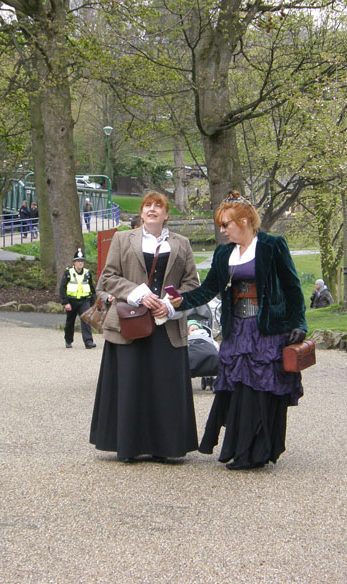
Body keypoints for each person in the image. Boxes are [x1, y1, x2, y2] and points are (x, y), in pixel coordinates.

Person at [172, 190, 307, 471]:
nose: (222, 231)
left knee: (262, 390)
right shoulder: (224, 254)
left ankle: (256, 453)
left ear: (244, 221)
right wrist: (180, 301)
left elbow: (293, 287)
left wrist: (299, 323)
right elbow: (208, 289)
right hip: (238, 333)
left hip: (267, 331)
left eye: (226, 225)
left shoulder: (272, 246)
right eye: (220, 225)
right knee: (238, 390)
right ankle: (238, 449)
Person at [90, 190, 200, 463]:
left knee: (164, 386)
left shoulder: (182, 243)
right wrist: (137, 292)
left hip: (167, 326)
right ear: (141, 212)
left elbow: (192, 284)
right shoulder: (122, 239)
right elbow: (108, 279)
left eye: (158, 206)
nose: (152, 209)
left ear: (166, 214)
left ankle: (166, 448)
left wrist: (171, 305)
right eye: (148, 205)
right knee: (131, 385)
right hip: (130, 323)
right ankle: (129, 446)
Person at [59, 248, 97, 349]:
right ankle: (68, 340)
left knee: (86, 320)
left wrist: (93, 303)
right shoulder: (68, 272)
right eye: (78, 261)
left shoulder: (87, 273)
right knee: (70, 322)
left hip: (84, 301)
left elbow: (92, 288)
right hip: (71, 301)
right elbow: (62, 288)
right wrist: (65, 302)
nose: (80, 263)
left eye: (82, 261)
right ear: (75, 262)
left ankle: (88, 342)